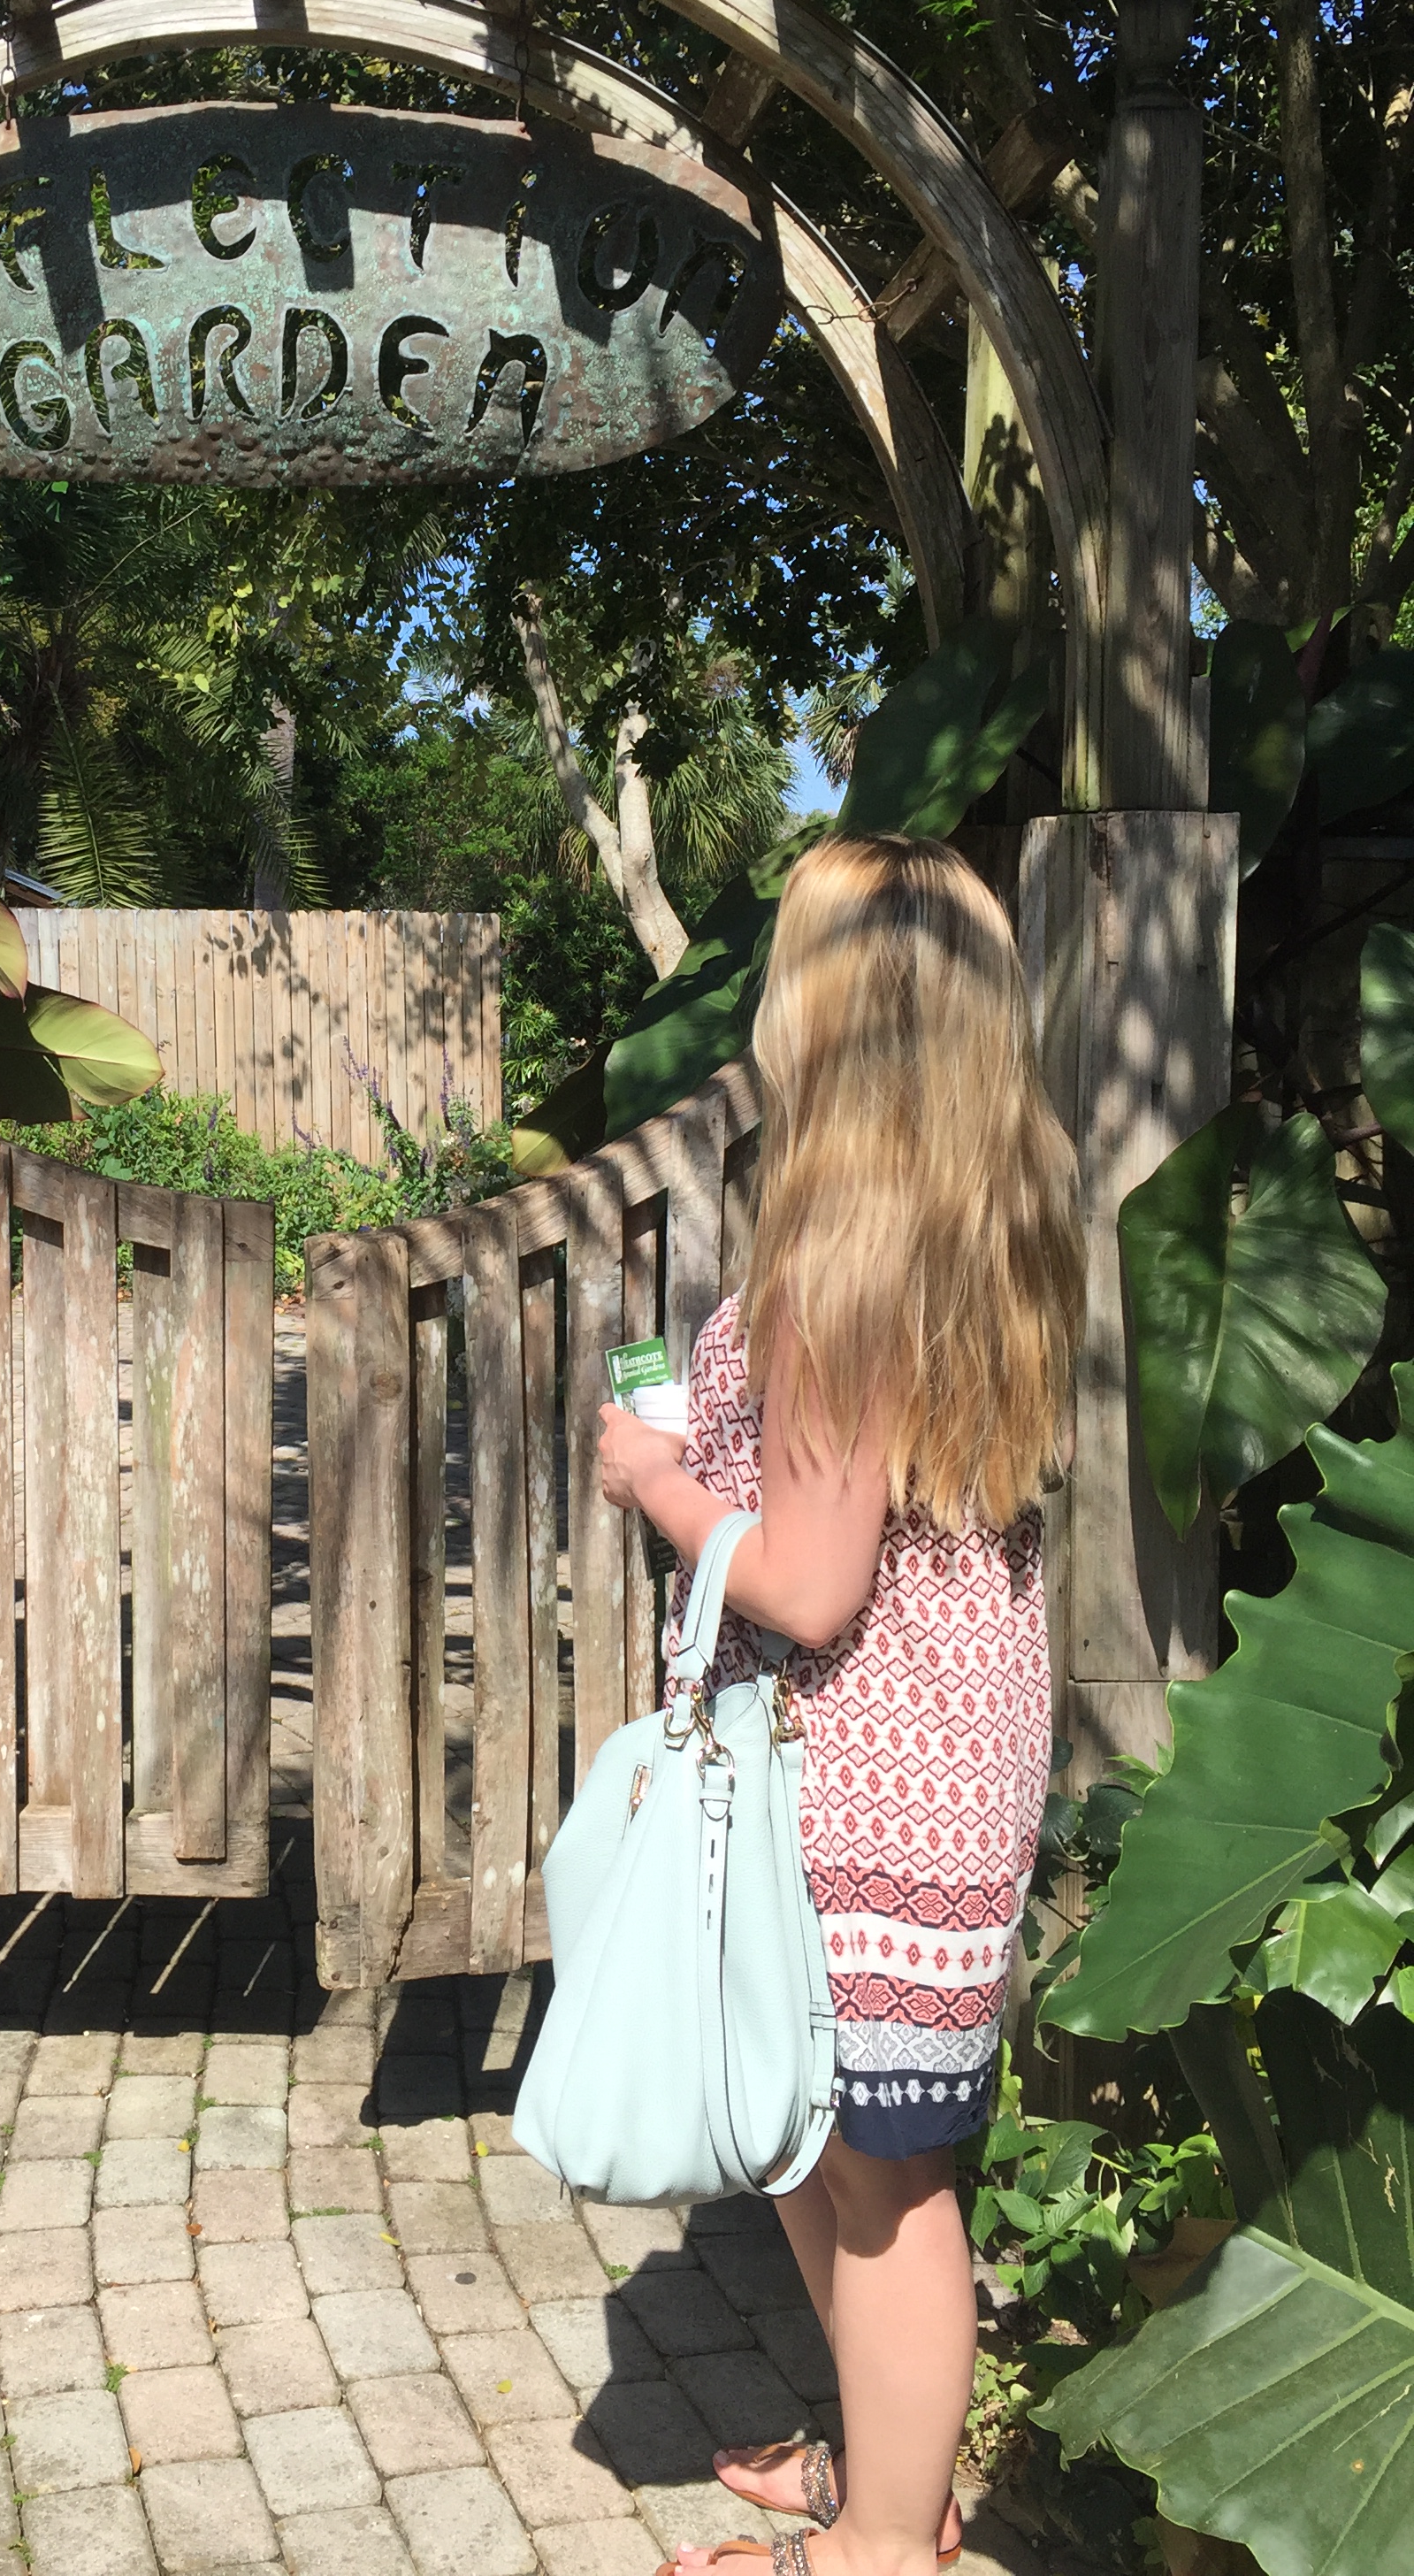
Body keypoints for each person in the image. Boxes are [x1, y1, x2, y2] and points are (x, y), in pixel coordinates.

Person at [595, 832, 1083, 2576]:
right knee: (831, 2143)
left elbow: (807, 1586)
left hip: (861, 1775)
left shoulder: (837, 1276)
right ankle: (894, 2479)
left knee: (881, 2186)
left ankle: (883, 2550)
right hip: (938, 1759)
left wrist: (653, 1478)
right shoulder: (976, 1241)